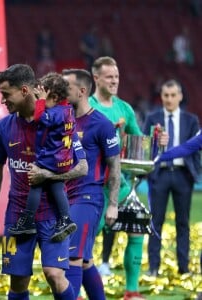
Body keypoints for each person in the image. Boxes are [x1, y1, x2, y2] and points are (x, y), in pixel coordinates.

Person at [0, 64, 88, 300]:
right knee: (18, 281)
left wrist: (49, 176)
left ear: (24, 91)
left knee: (54, 274)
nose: (2, 101)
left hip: (52, 216)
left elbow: (82, 167)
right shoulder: (3, 127)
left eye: (6, 94)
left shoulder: (58, 124)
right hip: (18, 215)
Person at [88, 56, 148, 300]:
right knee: (85, 240)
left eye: (117, 77)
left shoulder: (125, 108)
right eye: (109, 77)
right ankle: (78, 292)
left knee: (137, 227)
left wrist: (156, 143)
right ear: (96, 78)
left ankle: (131, 291)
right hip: (92, 185)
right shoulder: (87, 107)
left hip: (119, 184)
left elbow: (139, 143)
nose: (114, 81)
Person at [62, 68, 121, 299]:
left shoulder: (101, 124)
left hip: (88, 198)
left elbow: (114, 166)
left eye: (66, 87)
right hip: (64, 197)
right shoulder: (63, 119)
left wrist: (113, 204)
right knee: (85, 261)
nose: (62, 91)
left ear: (82, 90)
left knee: (73, 257)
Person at [8, 72, 78, 242]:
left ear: (53, 96)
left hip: (51, 158)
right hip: (63, 158)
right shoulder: (68, 109)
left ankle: (28, 220)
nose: (40, 99)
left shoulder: (55, 113)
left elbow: (40, 118)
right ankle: (65, 219)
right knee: (56, 187)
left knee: (35, 183)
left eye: (43, 95)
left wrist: (40, 101)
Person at [143, 79, 200, 276]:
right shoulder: (152, 118)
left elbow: (194, 149)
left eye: (173, 95)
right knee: (155, 222)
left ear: (180, 96)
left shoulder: (191, 120)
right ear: (161, 96)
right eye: (166, 95)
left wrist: (196, 173)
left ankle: (183, 268)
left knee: (183, 223)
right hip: (160, 175)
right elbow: (145, 147)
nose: (169, 99)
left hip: (183, 175)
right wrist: (156, 144)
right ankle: (153, 268)